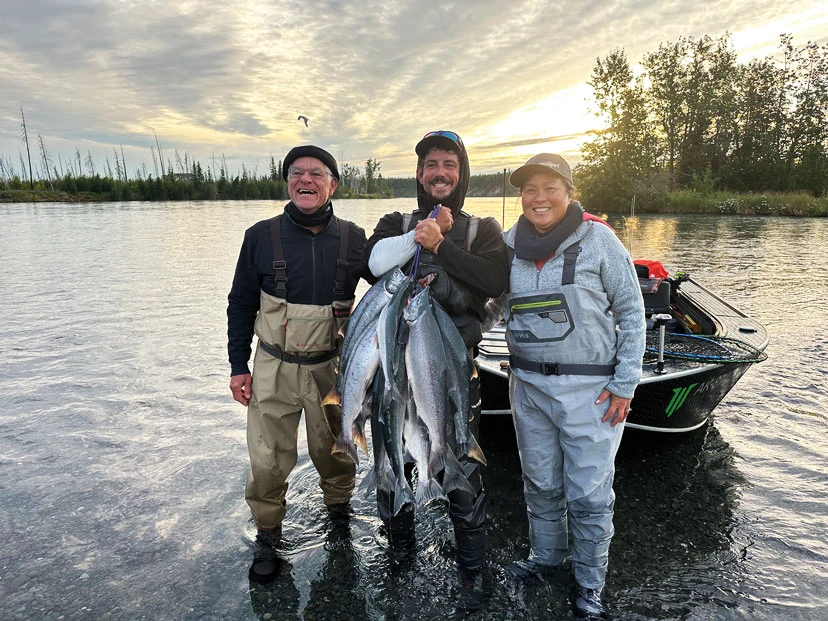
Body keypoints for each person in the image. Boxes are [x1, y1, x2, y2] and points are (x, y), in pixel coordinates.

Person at [501, 153, 645, 619]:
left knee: (587, 495)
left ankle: (589, 584)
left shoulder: (600, 240)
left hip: (592, 392)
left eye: (550, 187)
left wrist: (625, 384)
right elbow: (491, 307)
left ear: (569, 192)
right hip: (526, 387)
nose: (538, 198)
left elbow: (631, 311)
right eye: (529, 189)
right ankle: (547, 557)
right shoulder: (507, 246)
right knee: (540, 483)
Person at [365, 130, 509, 573]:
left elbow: (494, 281)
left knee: (460, 465)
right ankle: (401, 557)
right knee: (392, 462)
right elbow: (371, 266)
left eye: (449, 163)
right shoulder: (394, 224)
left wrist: (442, 249)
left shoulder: (482, 230)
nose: (440, 172)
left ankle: (471, 569)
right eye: (431, 164)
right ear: (419, 175)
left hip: (453, 372)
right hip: (391, 374)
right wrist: (424, 235)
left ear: (461, 174)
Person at [226, 145, 366, 582]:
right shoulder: (259, 236)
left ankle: (338, 515)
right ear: (287, 182)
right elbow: (241, 304)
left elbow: (392, 280)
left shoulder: (355, 237)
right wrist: (237, 366)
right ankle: (268, 535)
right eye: (296, 173)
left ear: (333, 184)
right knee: (267, 459)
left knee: (339, 451)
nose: (305, 180)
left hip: (334, 367)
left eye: (316, 173)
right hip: (272, 367)